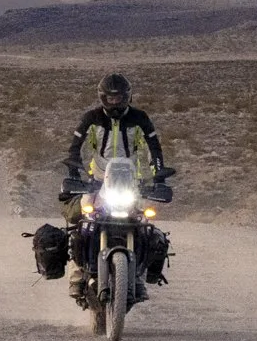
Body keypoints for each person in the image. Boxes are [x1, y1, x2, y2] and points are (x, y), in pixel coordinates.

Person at [61, 73, 173, 292]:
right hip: (99, 181)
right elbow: (75, 146)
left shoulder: (139, 119)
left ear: (127, 97)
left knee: (143, 224)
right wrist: (74, 171)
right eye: (110, 98)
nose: (114, 102)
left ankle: (139, 275)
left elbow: (154, 148)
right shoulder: (91, 118)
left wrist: (159, 174)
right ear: (103, 98)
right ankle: (77, 273)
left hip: (131, 182)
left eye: (119, 98)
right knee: (83, 219)